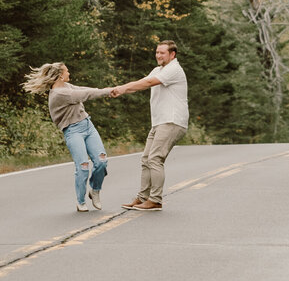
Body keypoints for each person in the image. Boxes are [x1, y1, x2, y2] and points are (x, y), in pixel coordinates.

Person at [23, 62, 118, 212]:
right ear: (60, 75)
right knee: (83, 167)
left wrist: (104, 90)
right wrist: (107, 92)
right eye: (67, 71)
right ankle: (80, 201)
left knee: (101, 161)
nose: (69, 73)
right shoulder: (60, 94)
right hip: (73, 131)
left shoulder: (66, 87)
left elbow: (83, 89)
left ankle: (95, 190)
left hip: (88, 126)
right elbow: (85, 95)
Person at [111, 41, 188, 211]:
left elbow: (147, 84)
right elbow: (140, 84)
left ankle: (155, 200)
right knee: (146, 159)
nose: (158, 55)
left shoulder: (173, 69)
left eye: (162, 53)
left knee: (155, 159)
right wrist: (118, 90)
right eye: (157, 52)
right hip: (160, 121)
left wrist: (123, 88)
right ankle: (142, 197)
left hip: (172, 121)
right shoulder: (158, 69)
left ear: (172, 55)